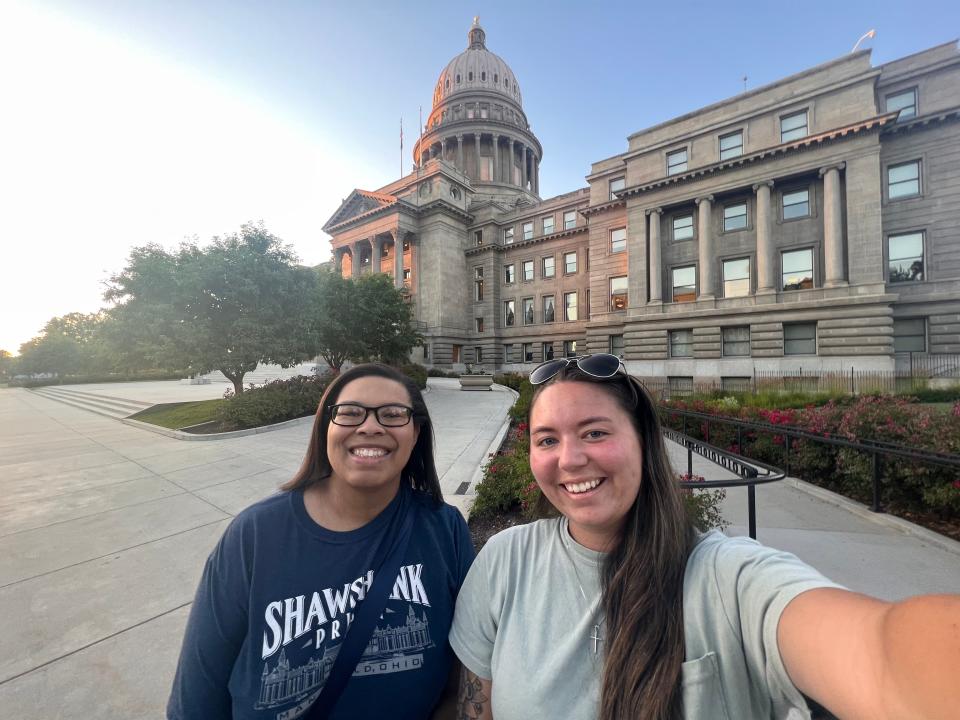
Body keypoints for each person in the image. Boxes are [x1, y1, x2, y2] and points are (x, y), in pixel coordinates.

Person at [450, 354, 960, 720]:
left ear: (645, 445)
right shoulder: (504, 558)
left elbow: (880, 652)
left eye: (595, 432)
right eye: (547, 440)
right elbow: (478, 706)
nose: (570, 459)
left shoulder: (728, 577)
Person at [168, 363, 474, 720]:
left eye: (392, 414)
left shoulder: (443, 528)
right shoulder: (255, 534)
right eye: (350, 413)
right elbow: (197, 695)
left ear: (416, 432)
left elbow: (465, 671)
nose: (370, 426)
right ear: (325, 428)